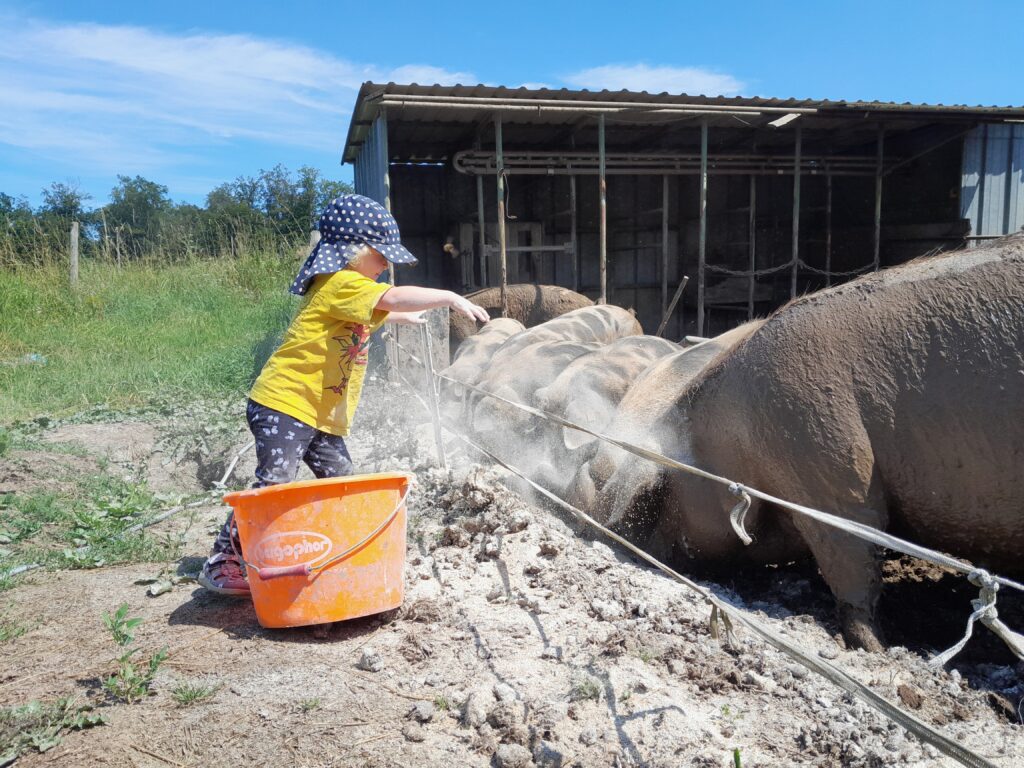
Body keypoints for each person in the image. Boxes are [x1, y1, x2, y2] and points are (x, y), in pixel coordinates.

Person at [199, 194, 489, 595]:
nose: (386, 263)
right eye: (380, 254)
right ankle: (223, 561)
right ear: (350, 251)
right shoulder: (340, 283)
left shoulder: (348, 290)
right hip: (286, 404)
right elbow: (387, 297)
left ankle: (332, 547)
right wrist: (449, 296)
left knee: (341, 482)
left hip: (317, 412)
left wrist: (402, 317)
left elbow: (374, 311)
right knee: (274, 485)